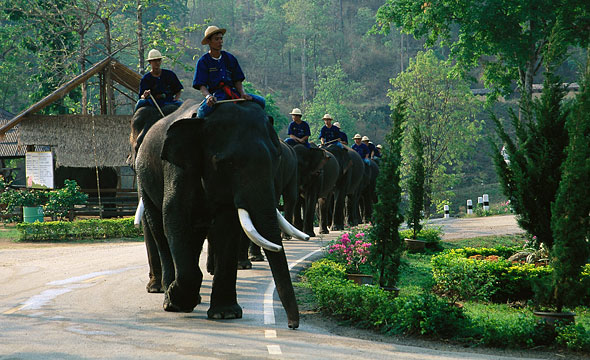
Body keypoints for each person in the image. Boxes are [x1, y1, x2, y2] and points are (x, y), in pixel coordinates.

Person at [192, 26, 265, 118]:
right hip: (216, 96)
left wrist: (243, 93)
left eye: (221, 39)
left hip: (233, 93)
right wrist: (208, 97)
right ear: (209, 42)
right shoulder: (203, 61)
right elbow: (201, 86)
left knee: (262, 101)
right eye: (216, 39)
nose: (220, 41)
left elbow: (237, 80)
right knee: (201, 113)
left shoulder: (230, 58)